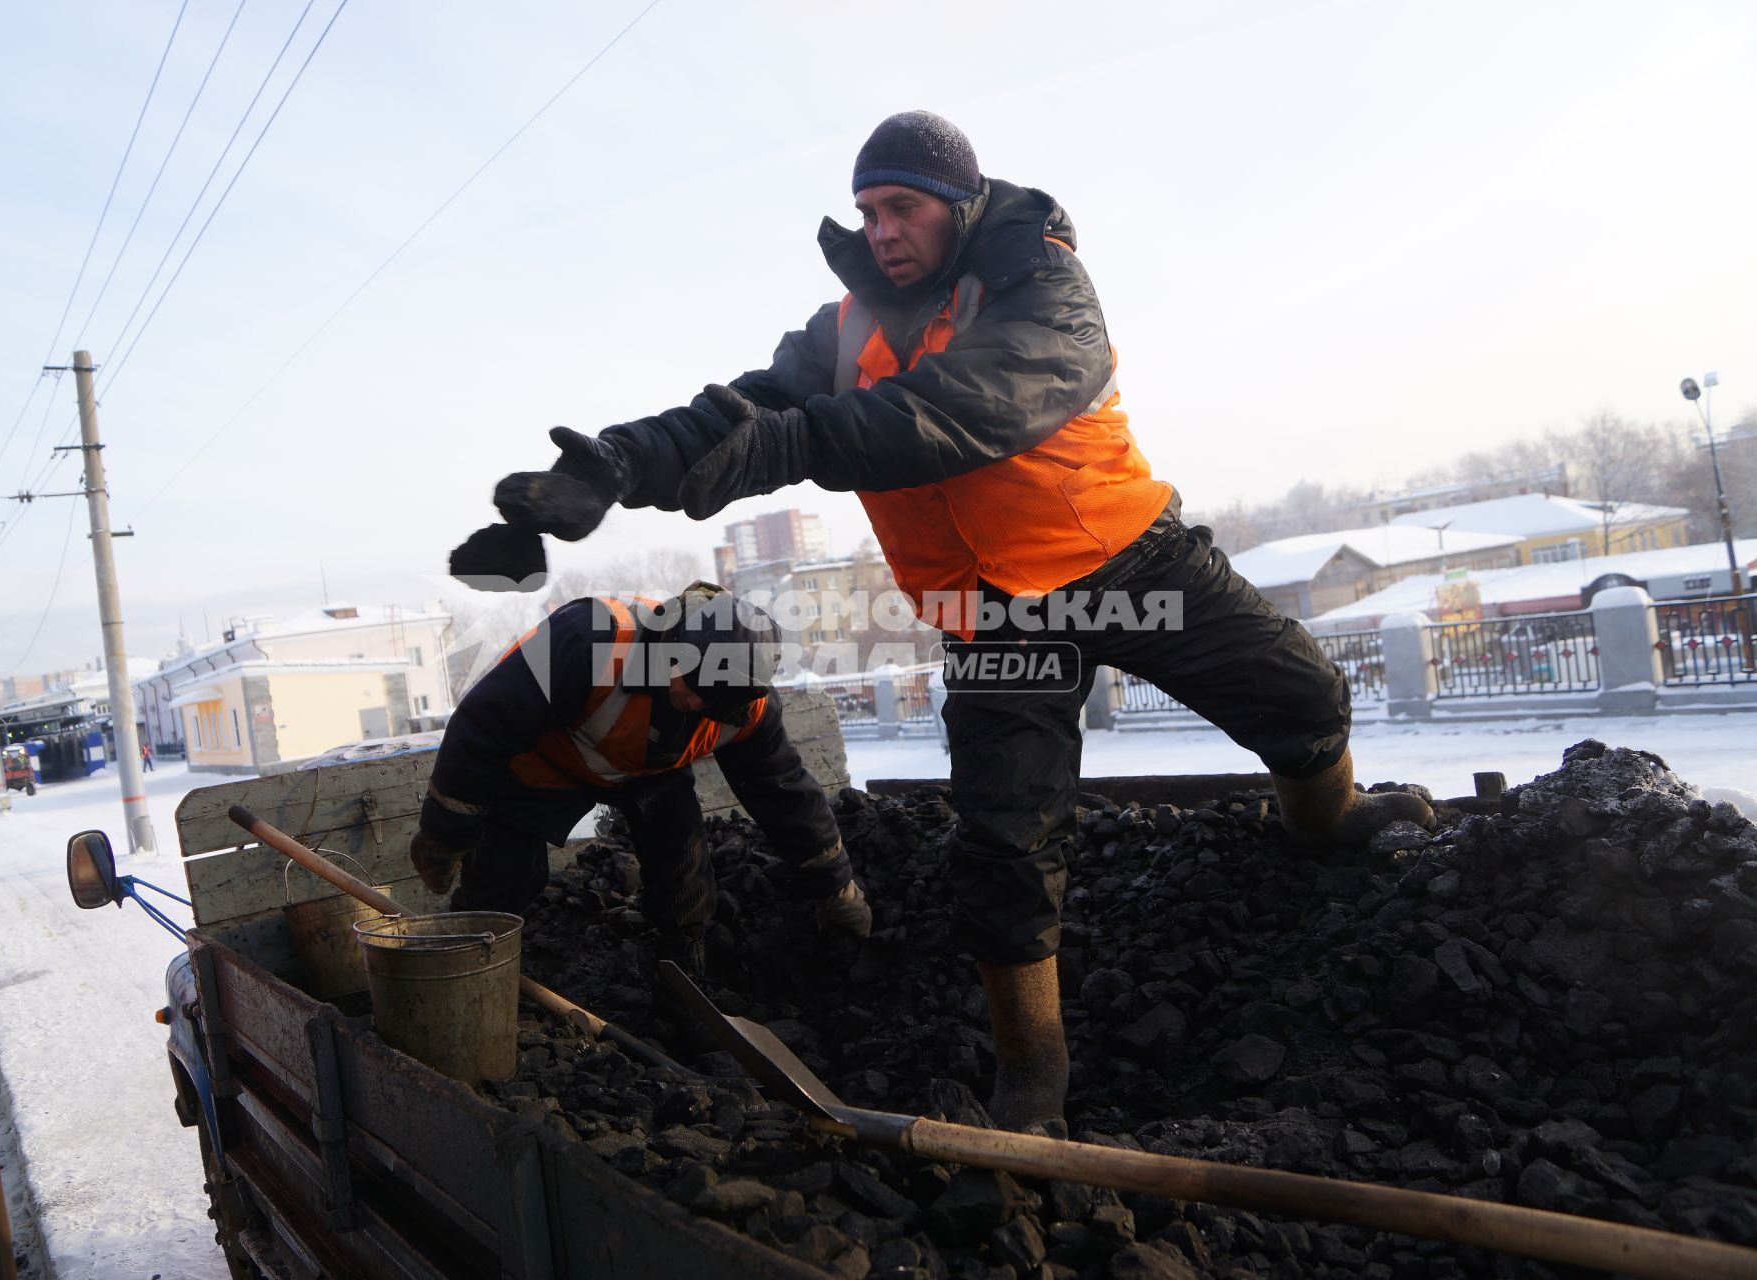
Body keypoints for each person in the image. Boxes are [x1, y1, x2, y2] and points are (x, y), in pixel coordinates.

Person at [470, 112, 1433, 1133]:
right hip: (988, 610)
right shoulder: (841, 333)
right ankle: (1031, 1076)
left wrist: (778, 446)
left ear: (959, 206)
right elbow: (737, 412)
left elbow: (948, 413)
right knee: (1005, 838)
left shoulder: (1038, 281)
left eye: (903, 207)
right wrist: (617, 465)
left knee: (1299, 691)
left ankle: (1321, 818)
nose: (882, 229)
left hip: (1122, 555)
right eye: (868, 211)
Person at [409, 583, 872, 985]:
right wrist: (445, 833)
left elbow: (784, 792)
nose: (689, 699)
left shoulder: (744, 706)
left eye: (705, 699)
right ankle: (471, 963)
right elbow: (482, 726)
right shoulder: (591, 639)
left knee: (684, 863)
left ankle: (684, 971)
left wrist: (836, 889)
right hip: (547, 764)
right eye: (686, 681)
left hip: (652, 770)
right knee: (503, 880)